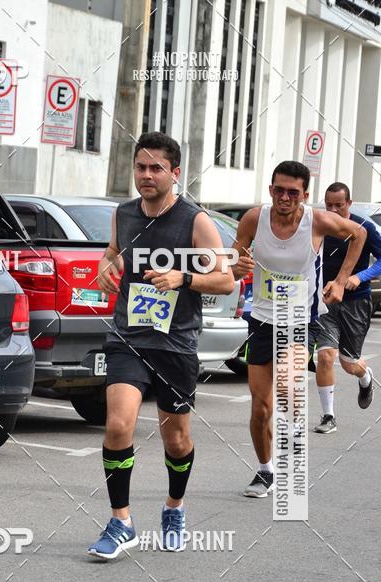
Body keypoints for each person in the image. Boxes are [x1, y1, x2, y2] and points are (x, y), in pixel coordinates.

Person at [87, 131, 235, 560]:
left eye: (155, 168)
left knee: (177, 439)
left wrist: (183, 278)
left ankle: (174, 507)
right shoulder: (124, 214)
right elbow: (114, 251)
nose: (146, 176)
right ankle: (121, 522)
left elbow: (226, 279)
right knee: (118, 426)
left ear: (175, 173)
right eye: (140, 167)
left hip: (175, 344)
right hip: (128, 336)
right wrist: (106, 267)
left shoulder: (195, 221)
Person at [232, 161, 367, 498]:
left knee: (288, 390)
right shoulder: (254, 218)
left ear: (305, 195)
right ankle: (265, 471)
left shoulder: (316, 221)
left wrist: (339, 281)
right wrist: (237, 264)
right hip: (261, 321)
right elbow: (234, 258)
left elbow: (359, 233)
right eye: (279, 190)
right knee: (260, 408)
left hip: (297, 320)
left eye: (293, 192)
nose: (285, 197)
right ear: (271, 190)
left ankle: (292, 450)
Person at [313, 183, 381, 433]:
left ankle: (365, 377)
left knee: (349, 363)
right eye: (328, 205)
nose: (332, 210)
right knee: (325, 356)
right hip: (325, 302)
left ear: (349, 204)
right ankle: (328, 416)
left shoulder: (364, 227)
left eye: (338, 206)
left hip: (356, 302)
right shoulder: (319, 225)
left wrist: (359, 277)